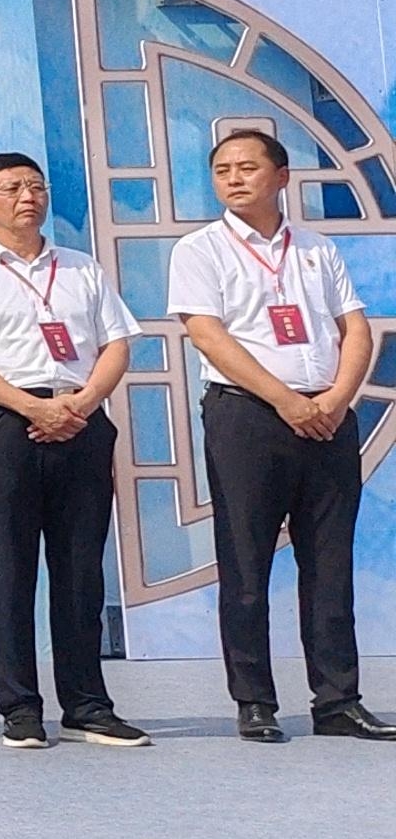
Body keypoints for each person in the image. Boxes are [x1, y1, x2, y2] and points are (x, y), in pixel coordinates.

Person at [167, 122, 395, 744]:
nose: (235, 179)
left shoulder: (317, 248)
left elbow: (356, 329)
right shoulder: (200, 250)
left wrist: (336, 399)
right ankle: (255, 701)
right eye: (223, 171)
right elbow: (207, 334)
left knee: (330, 562)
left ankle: (338, 700)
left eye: (247, 167)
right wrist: (286, 400)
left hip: (327, 418)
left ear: (282, 176)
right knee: (245, 562)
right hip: (247, 417)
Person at [0, 152, 148, 750]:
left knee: (79, 569)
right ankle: (20, 707)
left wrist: (83, 402)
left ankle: (88, 704)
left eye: (36, 186)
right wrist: (31, 407)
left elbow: (116, 344)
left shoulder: (81, 269)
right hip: (2, 422)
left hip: (79, 417)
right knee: (9, 567)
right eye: (12, 187)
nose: (27, 196)